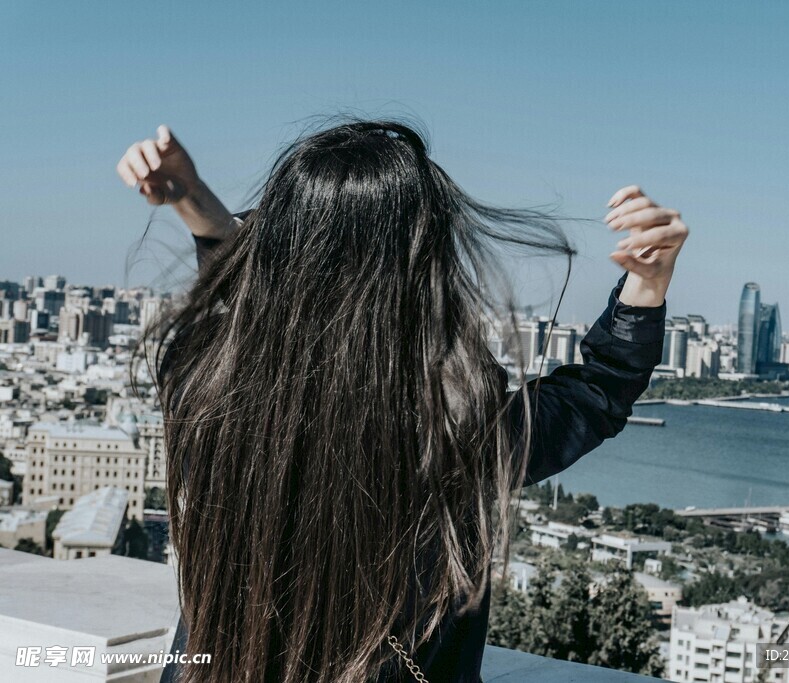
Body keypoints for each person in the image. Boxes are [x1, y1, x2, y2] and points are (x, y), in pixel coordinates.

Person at [117, 120, 689, 683]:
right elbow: (596, 392)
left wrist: (192, 200)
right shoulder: (448, 428)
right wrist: (647, 283)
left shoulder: (202, 381)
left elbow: (257, 305)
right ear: (418, 262)